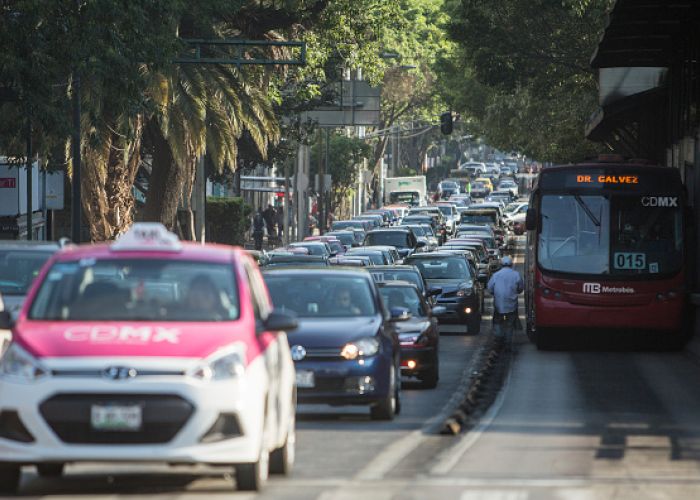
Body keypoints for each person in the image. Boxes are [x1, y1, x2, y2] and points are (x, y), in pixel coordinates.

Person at [487, 256, 524, 339]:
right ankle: (508, 342)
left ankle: (498, 339)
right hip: (512, 305)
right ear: (511, 264)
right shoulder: (516, 274)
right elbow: (520, 288)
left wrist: (495, 293)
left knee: (497, 321)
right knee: (510, 324)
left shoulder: (496, 275)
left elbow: (489, 288)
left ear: (501, 264)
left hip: (499, 304)